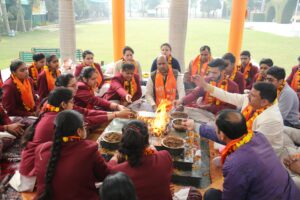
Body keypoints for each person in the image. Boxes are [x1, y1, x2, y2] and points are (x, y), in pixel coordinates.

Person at [182, 109, 300, 200]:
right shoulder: (257, 136)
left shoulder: (234, 163)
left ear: (222, 134)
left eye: (216, 128)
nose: (215, 130)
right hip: (290, 193)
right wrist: (196, 126)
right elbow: (226, 138)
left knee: (211, 195)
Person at [191, 76, 284, 154]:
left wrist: (225, 150)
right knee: (213, 130)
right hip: (241, 140)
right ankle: (193, 125)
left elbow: (254, 145)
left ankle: (196, 127)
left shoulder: (271, 119)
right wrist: (205, 85)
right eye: (250, 93)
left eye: (253, 95)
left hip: (259, 155)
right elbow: (227, 96)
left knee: (217, 134)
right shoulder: (251, 100)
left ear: (264, 102)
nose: (248, 96)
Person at [35, 110, 111, 200]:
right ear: (79, 131)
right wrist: (114, 160)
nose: (85, 128)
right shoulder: (89, 150)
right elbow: (107, 175)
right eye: (84, 126)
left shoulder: (41, 149)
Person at [109, 120, 173, 200]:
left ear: (124, 141)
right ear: (148, 139)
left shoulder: (118, 171)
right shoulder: (165, 156)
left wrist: (114, 158)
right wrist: (152, 150)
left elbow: (108, 170)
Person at [19, 88, 74, 177]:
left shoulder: (50, 114)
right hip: (34, 169)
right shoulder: (59, 120)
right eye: (72, 102)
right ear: (63, 104)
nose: (73, 105)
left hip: (31, 164)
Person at [55, 73, 133, 127]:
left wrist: (117, 111)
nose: (76, 87)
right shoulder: (80, 89)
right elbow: (86, 119)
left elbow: (85, 111)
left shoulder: (66, 99)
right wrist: (116, 113)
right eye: (73, 86)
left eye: (76, 84)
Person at [174, 58, 239, 115]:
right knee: (183, 112)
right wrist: (181, 101)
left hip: (221, 117)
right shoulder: (207, 80)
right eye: (210, 72)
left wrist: (210, 107)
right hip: (204, 112)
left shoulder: (233, 86)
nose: (211, 75)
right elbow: (195, 94)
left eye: (214, 73)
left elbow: (232, 109)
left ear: (223, 71)